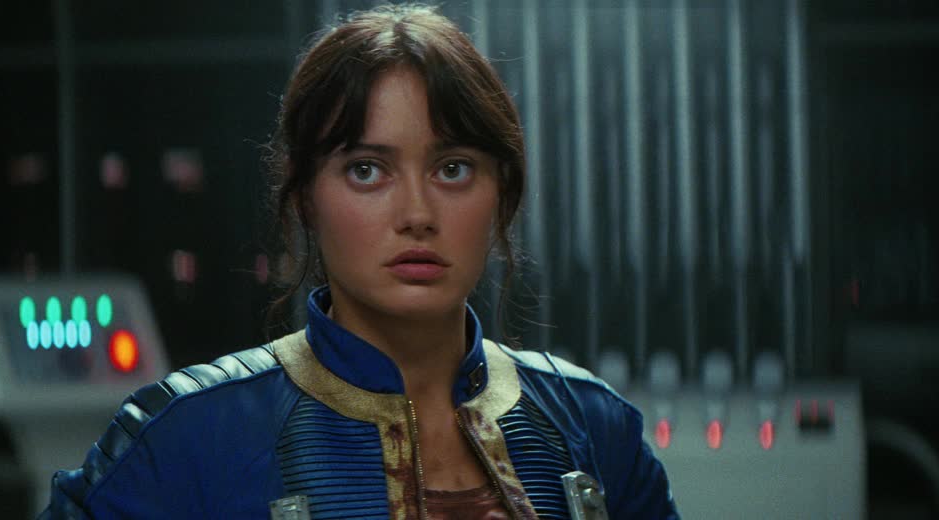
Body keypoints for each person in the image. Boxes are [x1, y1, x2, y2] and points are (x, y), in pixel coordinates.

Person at [41, 4, 678, 519]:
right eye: (367, 170)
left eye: (453, 169)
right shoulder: (192, 435)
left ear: (502, 194)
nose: (417, 213)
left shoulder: (592, 426)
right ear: (306, 197)